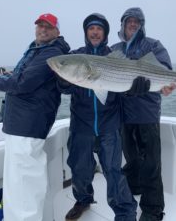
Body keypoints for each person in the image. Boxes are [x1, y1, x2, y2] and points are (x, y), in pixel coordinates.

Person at [58, 13, 137, 221]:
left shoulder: (116, 56)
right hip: (80, 123)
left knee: (113, 171)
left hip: (109, 124)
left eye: (99, 29)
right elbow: (62, 87)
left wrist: (136, 87)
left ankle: (125, 212)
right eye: (91, 28)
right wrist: (64, 81)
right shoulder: (75, 55)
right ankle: (83, 200)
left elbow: (126, 88)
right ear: (86, 33)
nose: (94, 32)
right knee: (79, 168)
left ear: (105, 34)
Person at [0, 13, 70, 221]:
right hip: (20, 125)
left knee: (23, 186)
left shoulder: (51, 53)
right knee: (17, 184)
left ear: (57, 31)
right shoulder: (37, 49)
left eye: (48, 27)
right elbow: (18, 77)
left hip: (27, 126)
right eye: (40, 26)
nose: (43, 30)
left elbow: (21, 84)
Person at [111, 7, 176, 221]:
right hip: (124, 116)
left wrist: (163, 83)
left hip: (147, 114)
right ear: (122, 24)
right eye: (128, 20)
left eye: (137, 21)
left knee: (151, 164)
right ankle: (135, 187)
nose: (132, 23)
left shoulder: (152, 45)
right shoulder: (115, 49)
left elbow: (165, 69)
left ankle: (153, 210)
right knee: (131, 158)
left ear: (142, 24)